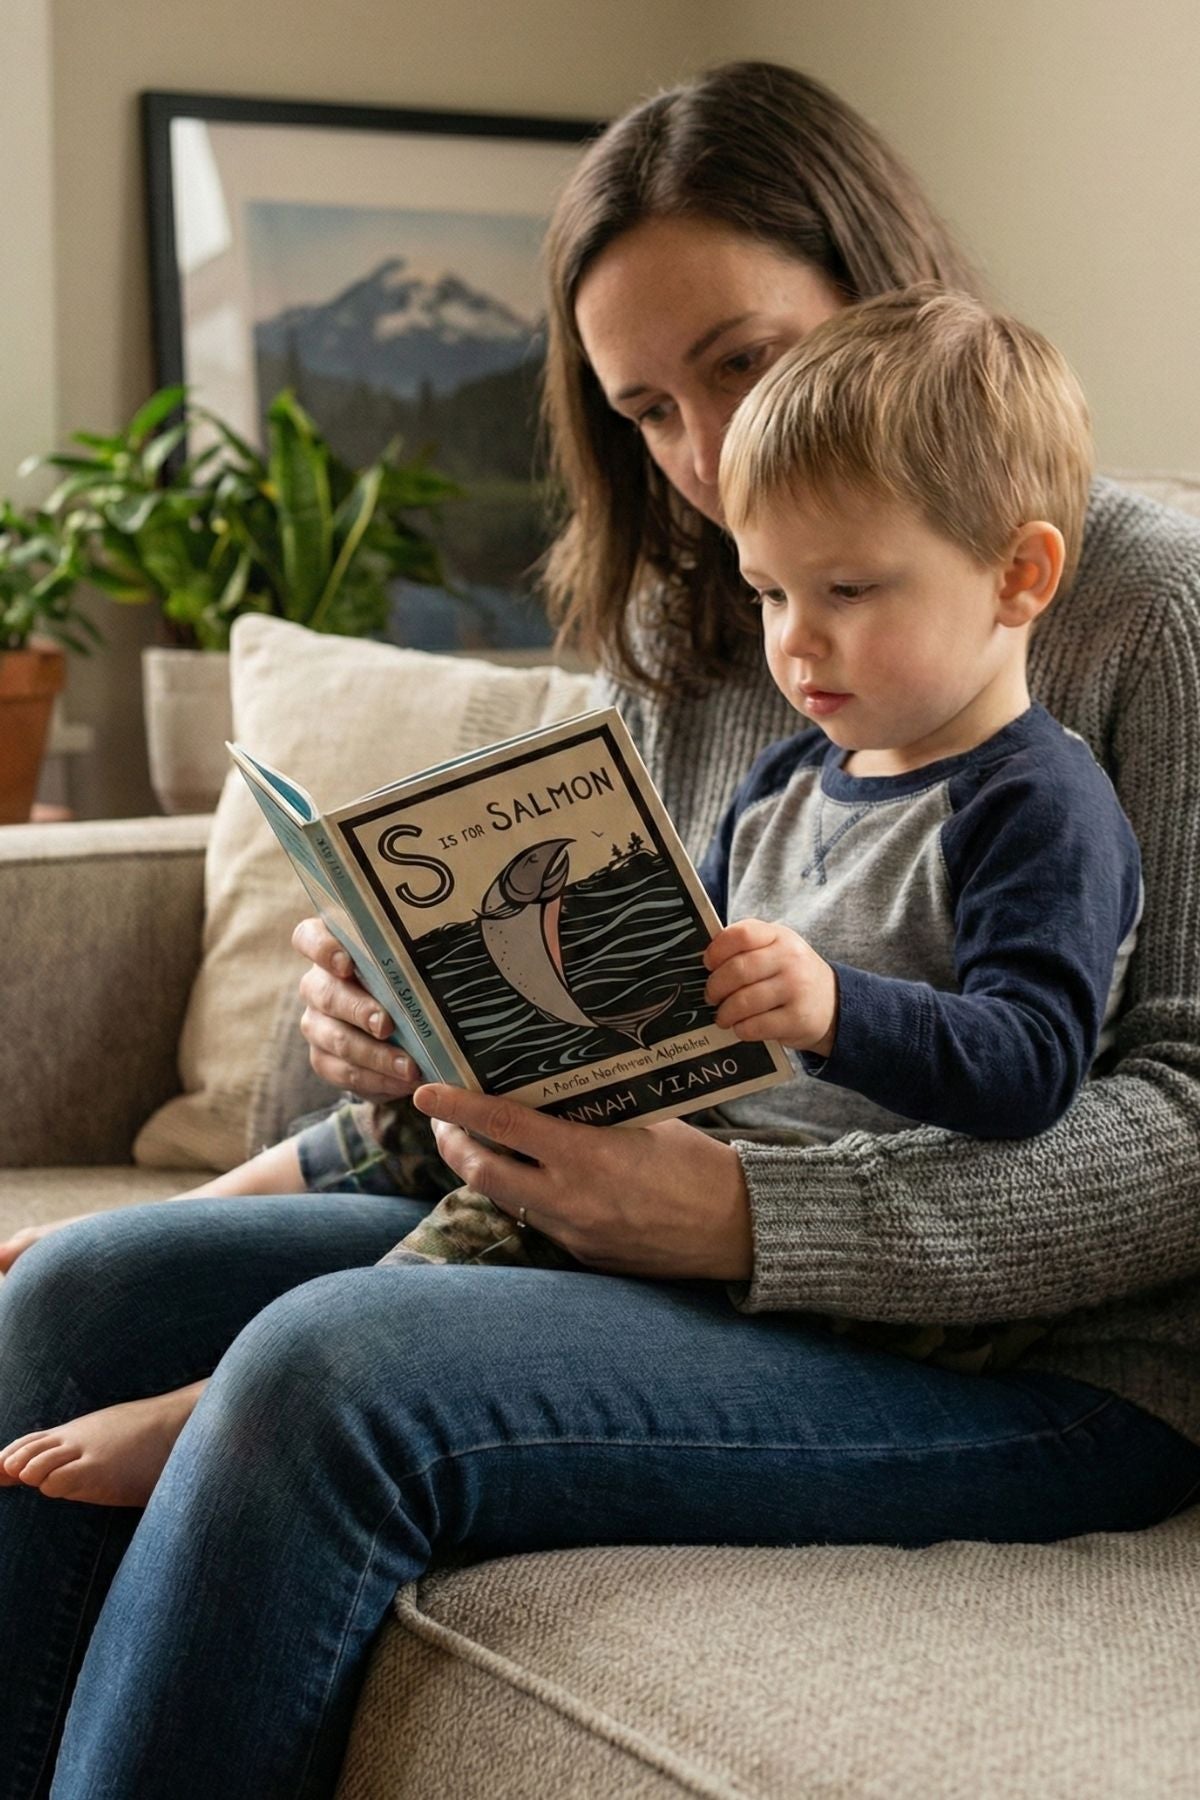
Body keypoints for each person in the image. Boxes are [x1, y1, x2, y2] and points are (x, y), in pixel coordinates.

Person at [2, 59, 1199, 1800]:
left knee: (338, 1371)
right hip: (716, 1262)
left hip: (1052, 1359)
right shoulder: (701, 622)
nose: (709, 463)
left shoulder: (1135, 606)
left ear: (880, 299)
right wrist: (396, 1052)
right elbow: (628, 1042)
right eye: (647, 409)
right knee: (93, 1296)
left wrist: (745, 1217)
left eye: (744, 364)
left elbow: (1184, 1113)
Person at [0, 284, 1148, 1490]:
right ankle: (211, 1220)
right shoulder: (787, 777)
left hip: (891, 1297)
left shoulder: (1040, 804)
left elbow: (1033, 1068)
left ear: (1020, 575)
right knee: (489, 1106)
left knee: (509, 1221)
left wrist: (832, 1008)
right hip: (729, 1176)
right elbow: (677, 994)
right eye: (770, 593)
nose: (795, 642)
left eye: (849, 592)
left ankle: (208, 1418)